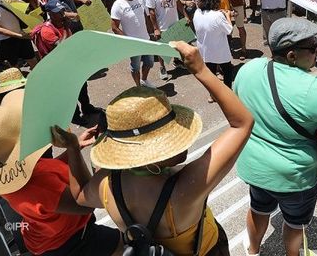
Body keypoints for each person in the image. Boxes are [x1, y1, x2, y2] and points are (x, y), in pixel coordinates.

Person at [63, 42, 253, 255]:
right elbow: (242, 123)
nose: (183, 140)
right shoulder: (187, 188)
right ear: (151, 154)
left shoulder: (105, 184)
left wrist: (72, 148)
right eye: (171, 135)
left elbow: (79, 194)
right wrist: (201, 70)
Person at [234, 17, 317, 256]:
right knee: (295, 222)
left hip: (255, 169)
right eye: (313, 48)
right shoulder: (312, 88)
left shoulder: (249, 69)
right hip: (294, 177)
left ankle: (253, 251)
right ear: (291, 56)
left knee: (258, 209)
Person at [0, 89, 123, 255]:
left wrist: (73, 151)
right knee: (124, 243)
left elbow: (45, 172)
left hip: (42, 240)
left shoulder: (10, 178)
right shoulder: (42, 182)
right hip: (70, 241)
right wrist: (74, 149)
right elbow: (86, 203)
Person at [31, 0, 99, 125]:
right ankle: (75, 117)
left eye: (62, 10)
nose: (62, 13)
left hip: (72, 63)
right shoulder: (47, 30)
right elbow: (61, 48)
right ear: (50, 14)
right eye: (58, 12)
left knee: (82, 87)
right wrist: (67, 27)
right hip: (60, 68)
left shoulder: (62, 23)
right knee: (70, 92)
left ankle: (87, 108)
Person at [146, 0, 190, 80]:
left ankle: (177, 61)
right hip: (162, 25)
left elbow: (178, 2)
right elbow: (151, 12)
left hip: (174, 22)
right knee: (162, 48)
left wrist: (185, 16)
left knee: (177, 44)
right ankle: (162, 67)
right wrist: (155, 28)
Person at [111, 0, 155, 88]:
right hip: (133, 43)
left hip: (146, 38)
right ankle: (138, 87)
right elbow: (114, 27)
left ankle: (144, 80)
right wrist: (128, 41)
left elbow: (145, 16)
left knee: (149, 62)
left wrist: (151, 32)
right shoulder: (118, 5)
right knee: (135, 67)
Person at [193, 0, 233, 99]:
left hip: (205, 50)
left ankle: (212, 95)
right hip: (219, 51)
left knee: (211, 74)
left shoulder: (197, 12)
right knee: (228, 71)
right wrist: (228, 16)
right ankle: (228, 94)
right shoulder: (218, 16)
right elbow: (229, 30)